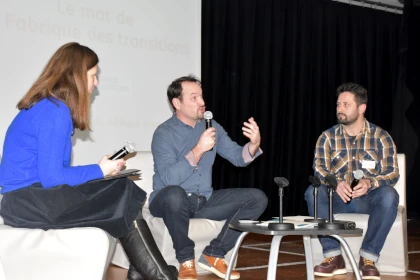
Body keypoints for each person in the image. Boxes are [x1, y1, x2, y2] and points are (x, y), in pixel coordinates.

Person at [0, 42, 177, 280]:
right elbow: (53, 179)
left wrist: (101, 170)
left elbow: (53, 175)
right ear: (76, 77)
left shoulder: (48, 107)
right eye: (93, 76)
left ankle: (145, 270)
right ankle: (155, 273)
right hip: (28, 202)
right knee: (121, 189)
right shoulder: (55, 110)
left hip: (27, 200)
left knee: (118, 188)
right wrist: (99, 170)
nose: (96, 84)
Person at [149, 75, 268, 280]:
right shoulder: (164, 133)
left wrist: (254, 144)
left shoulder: (212, 127)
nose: (202, 103)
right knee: (175, 194)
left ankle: (214, 253)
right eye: (194, 98)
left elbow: (237, 157)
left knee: (257, 198)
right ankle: (186, 259)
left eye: (201, 96)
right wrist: (198, 150)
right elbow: (169, 179)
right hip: (168, 201)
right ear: (177, 103)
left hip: (203, 200)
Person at [304, 82, 400, 280]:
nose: (340, 109)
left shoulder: (381, 137)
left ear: (361, 108)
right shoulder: (327, 137)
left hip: (368, 199)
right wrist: (336, 183)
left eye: (346, 105)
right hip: (337, 198)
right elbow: (320, 169)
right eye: (338, 104)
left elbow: (392, 173)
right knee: (312, 192)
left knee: (390, 195)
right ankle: (333, 257)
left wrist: (369, 183)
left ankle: (368, 258)